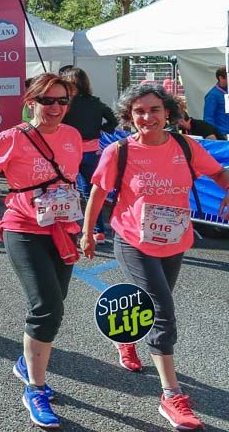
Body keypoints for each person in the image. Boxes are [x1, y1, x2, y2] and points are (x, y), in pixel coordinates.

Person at [81, 84, 229, 432]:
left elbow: (219, 173)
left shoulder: (185, 145)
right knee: (162, 310)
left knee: (149, 301)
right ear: (129, 118)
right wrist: (88, 232)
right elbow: (99, 193)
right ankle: (171, 394)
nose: (147, 117)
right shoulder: (119, 151)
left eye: (154, 110)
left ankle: (126, 337)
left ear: (167, 113)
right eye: (139, 112)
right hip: (132, 239)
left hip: (175, 239)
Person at [0, 73, 83, 429]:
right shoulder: (12, 138)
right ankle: (35, 388)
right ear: (31, 102)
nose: (55, 108)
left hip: (63, 228)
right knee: (46, 306)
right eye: (47, 101)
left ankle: (26, 361)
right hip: (23, 227)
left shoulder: (72, 136)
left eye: (62, 101)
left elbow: (70, 181)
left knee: (57, 300)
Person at [60, 67, 118, 242]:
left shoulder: (65, 104)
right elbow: (114, 120)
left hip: (68, 151)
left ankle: (66, 228)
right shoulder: (96, 102)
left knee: (63, 191)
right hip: (91, 151)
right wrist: (99, 129)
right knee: (92, 192)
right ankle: (97, 230)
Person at [202, 66, 229, 135]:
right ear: (221, 78)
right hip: (222, 134)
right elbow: (208, 118)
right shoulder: (212, 95)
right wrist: (213, 135)